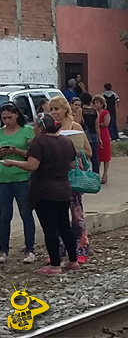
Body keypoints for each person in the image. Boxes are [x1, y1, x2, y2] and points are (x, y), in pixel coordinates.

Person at [2, 113, 79, 275]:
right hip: (64, 189)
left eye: (36, 126)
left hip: (44, 191)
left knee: (50, 228)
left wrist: (13, 162)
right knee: (64, 225)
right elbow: (72, 164)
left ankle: (55, 265)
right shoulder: (66, 141)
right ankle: (73, 260)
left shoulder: (40, 142)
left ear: (41, 127)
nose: (34, 129)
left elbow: (32, 166)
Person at [48, 96, 92, 264]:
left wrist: (74, 149)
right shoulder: (52, 129)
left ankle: (81, 247)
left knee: (76, 212)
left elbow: (89, 152)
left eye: (56, 109)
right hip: (56, 175)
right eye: (51, 110)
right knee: (58, 214)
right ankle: (60, 248)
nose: (54, 113)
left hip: (73, 175)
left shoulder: (75, 127)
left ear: (65, 109)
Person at [0, 102, 36, 264]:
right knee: (4, 216)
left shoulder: (27, 131)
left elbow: (33, 154)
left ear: (16, 115)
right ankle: (3, 249)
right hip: (3, 179)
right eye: (4, 118)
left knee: (25, 213)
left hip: (22, 177)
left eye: (9, 117)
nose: (7, 120)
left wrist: (16, 151)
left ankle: (30, 249)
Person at [92, 95, 112, 184]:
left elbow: (106, 123)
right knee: (97, 155)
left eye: (97, 103)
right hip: (96, 134)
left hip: (104, 134)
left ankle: (105, 173)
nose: (96, 104)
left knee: (106, 155)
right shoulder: (93, 112)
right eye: (94, 103)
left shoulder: (105, 112)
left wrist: (96, 125)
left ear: (102, 104)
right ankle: (97, 173)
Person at [80, 93, 100, 174]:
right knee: (94, 157)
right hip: (94, 135)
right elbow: (97, 127)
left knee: (83, 157)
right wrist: (100, 138)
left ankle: (85, 176)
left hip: (83, 136)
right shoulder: (95, 111)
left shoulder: (80, 111)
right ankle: (96, 175)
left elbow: (78, 123)